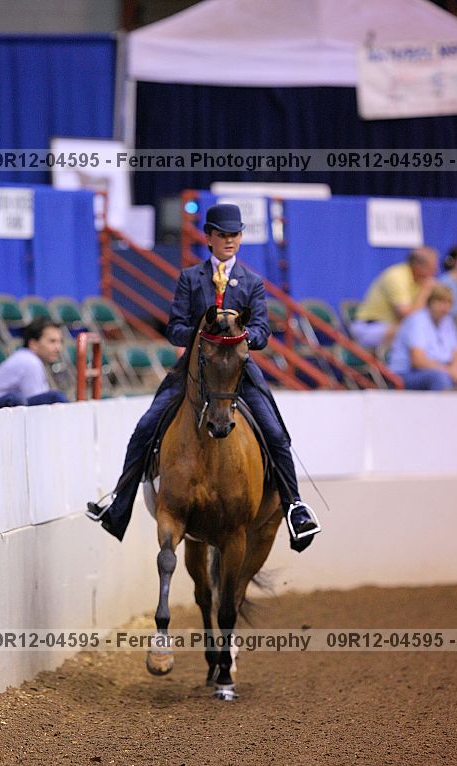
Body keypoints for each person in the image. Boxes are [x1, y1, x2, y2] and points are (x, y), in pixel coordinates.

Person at [87, 204, 321, 552]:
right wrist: (202, 335)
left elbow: (262, 331)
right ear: (209, 237)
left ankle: (295, 508)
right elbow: (174, 328)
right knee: (146, 426)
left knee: (275, 433)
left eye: (235, 234)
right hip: (194, 373)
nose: (229, 240)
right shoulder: (190, 278)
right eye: (222, 235)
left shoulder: (253, 282)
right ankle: (119, 505)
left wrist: (243, 335)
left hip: (237, 373)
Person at [388, 284, 457, 391]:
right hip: (406, 374)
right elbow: (418, 360)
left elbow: (456, 353)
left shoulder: (447, 321)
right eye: (440, 302)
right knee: (441, 379)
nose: (445, 307)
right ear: (430, 303)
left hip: (442, 370)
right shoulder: (417, 320)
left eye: (448, 303)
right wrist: (449, 371)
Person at [351, 247, 438, 351]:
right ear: (418, 266)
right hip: (370, 328)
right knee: (415, 331)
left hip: (393, 328)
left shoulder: (422, 280)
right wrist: (425, 292)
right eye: (432, 267)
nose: (435, 271)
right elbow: (408, 317)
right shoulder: (397, 277)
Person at [0, 318, 67, 410]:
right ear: (33, 344)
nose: (58, 348)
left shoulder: (26, 357)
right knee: (54, 398)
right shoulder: (30, 362)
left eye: (60, 342)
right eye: (52, 341)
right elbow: (39, 408)